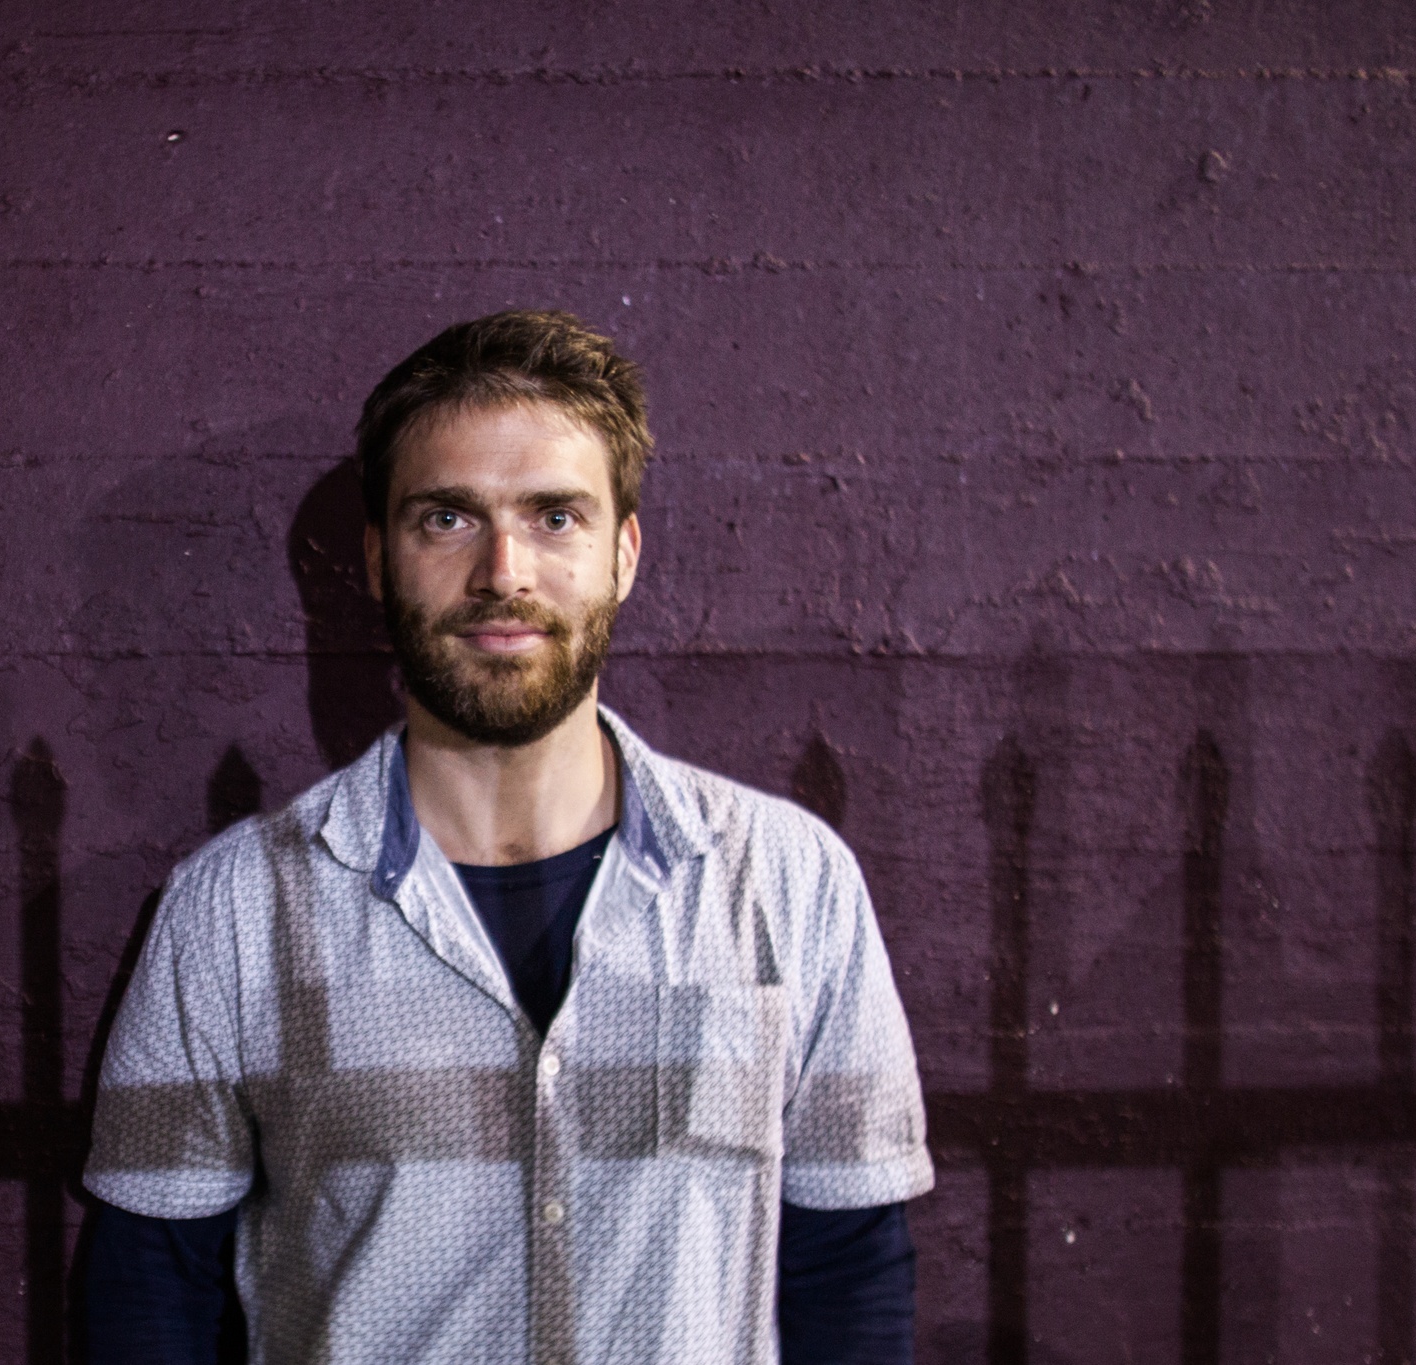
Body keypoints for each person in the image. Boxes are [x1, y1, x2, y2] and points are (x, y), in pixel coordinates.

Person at [80, 310, 934, 1364]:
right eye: (446, 519)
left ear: (623, 552)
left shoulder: (791, 884)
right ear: (378, 560)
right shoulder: (230, 911)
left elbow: (846, 1274)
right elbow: (146, 1301)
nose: (502, 572)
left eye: (554, 518)